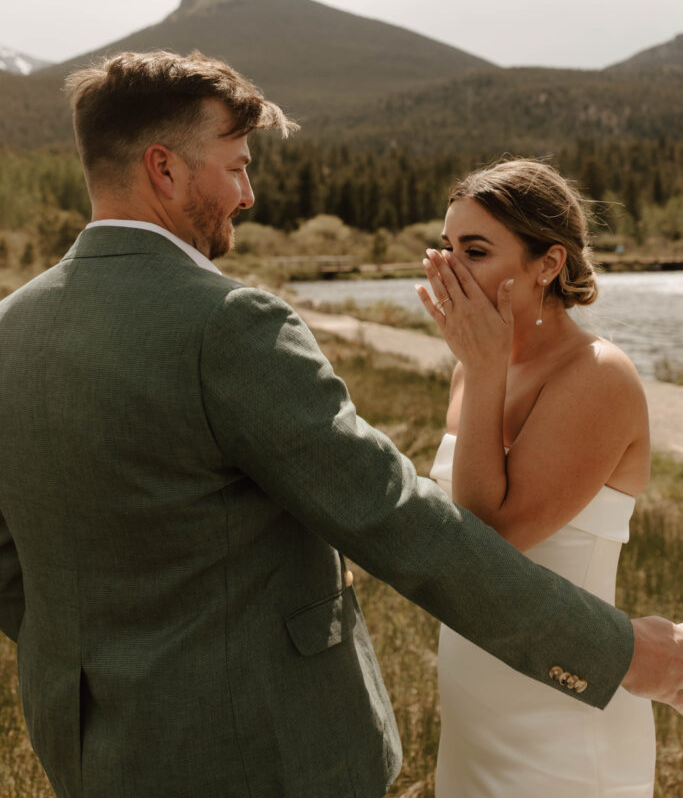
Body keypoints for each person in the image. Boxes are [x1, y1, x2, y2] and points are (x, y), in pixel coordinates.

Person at [0, 51, 679, 798]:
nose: (248, 194)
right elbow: (391, 517)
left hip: (86, 742)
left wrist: (82, 655)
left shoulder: (11, 327)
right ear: (163, 169)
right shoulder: (228, 322)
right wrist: (616, 652)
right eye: (234, 167)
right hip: (262, 749)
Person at [417, 159, 658, 796]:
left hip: (562, 714)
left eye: (474, 250)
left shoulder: (598, 375)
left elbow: (488, 541)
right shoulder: (473, 371)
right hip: (475, 701)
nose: (450, 267)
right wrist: (483, 365)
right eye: (446, 248)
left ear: (547, 263)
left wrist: (485, 364)